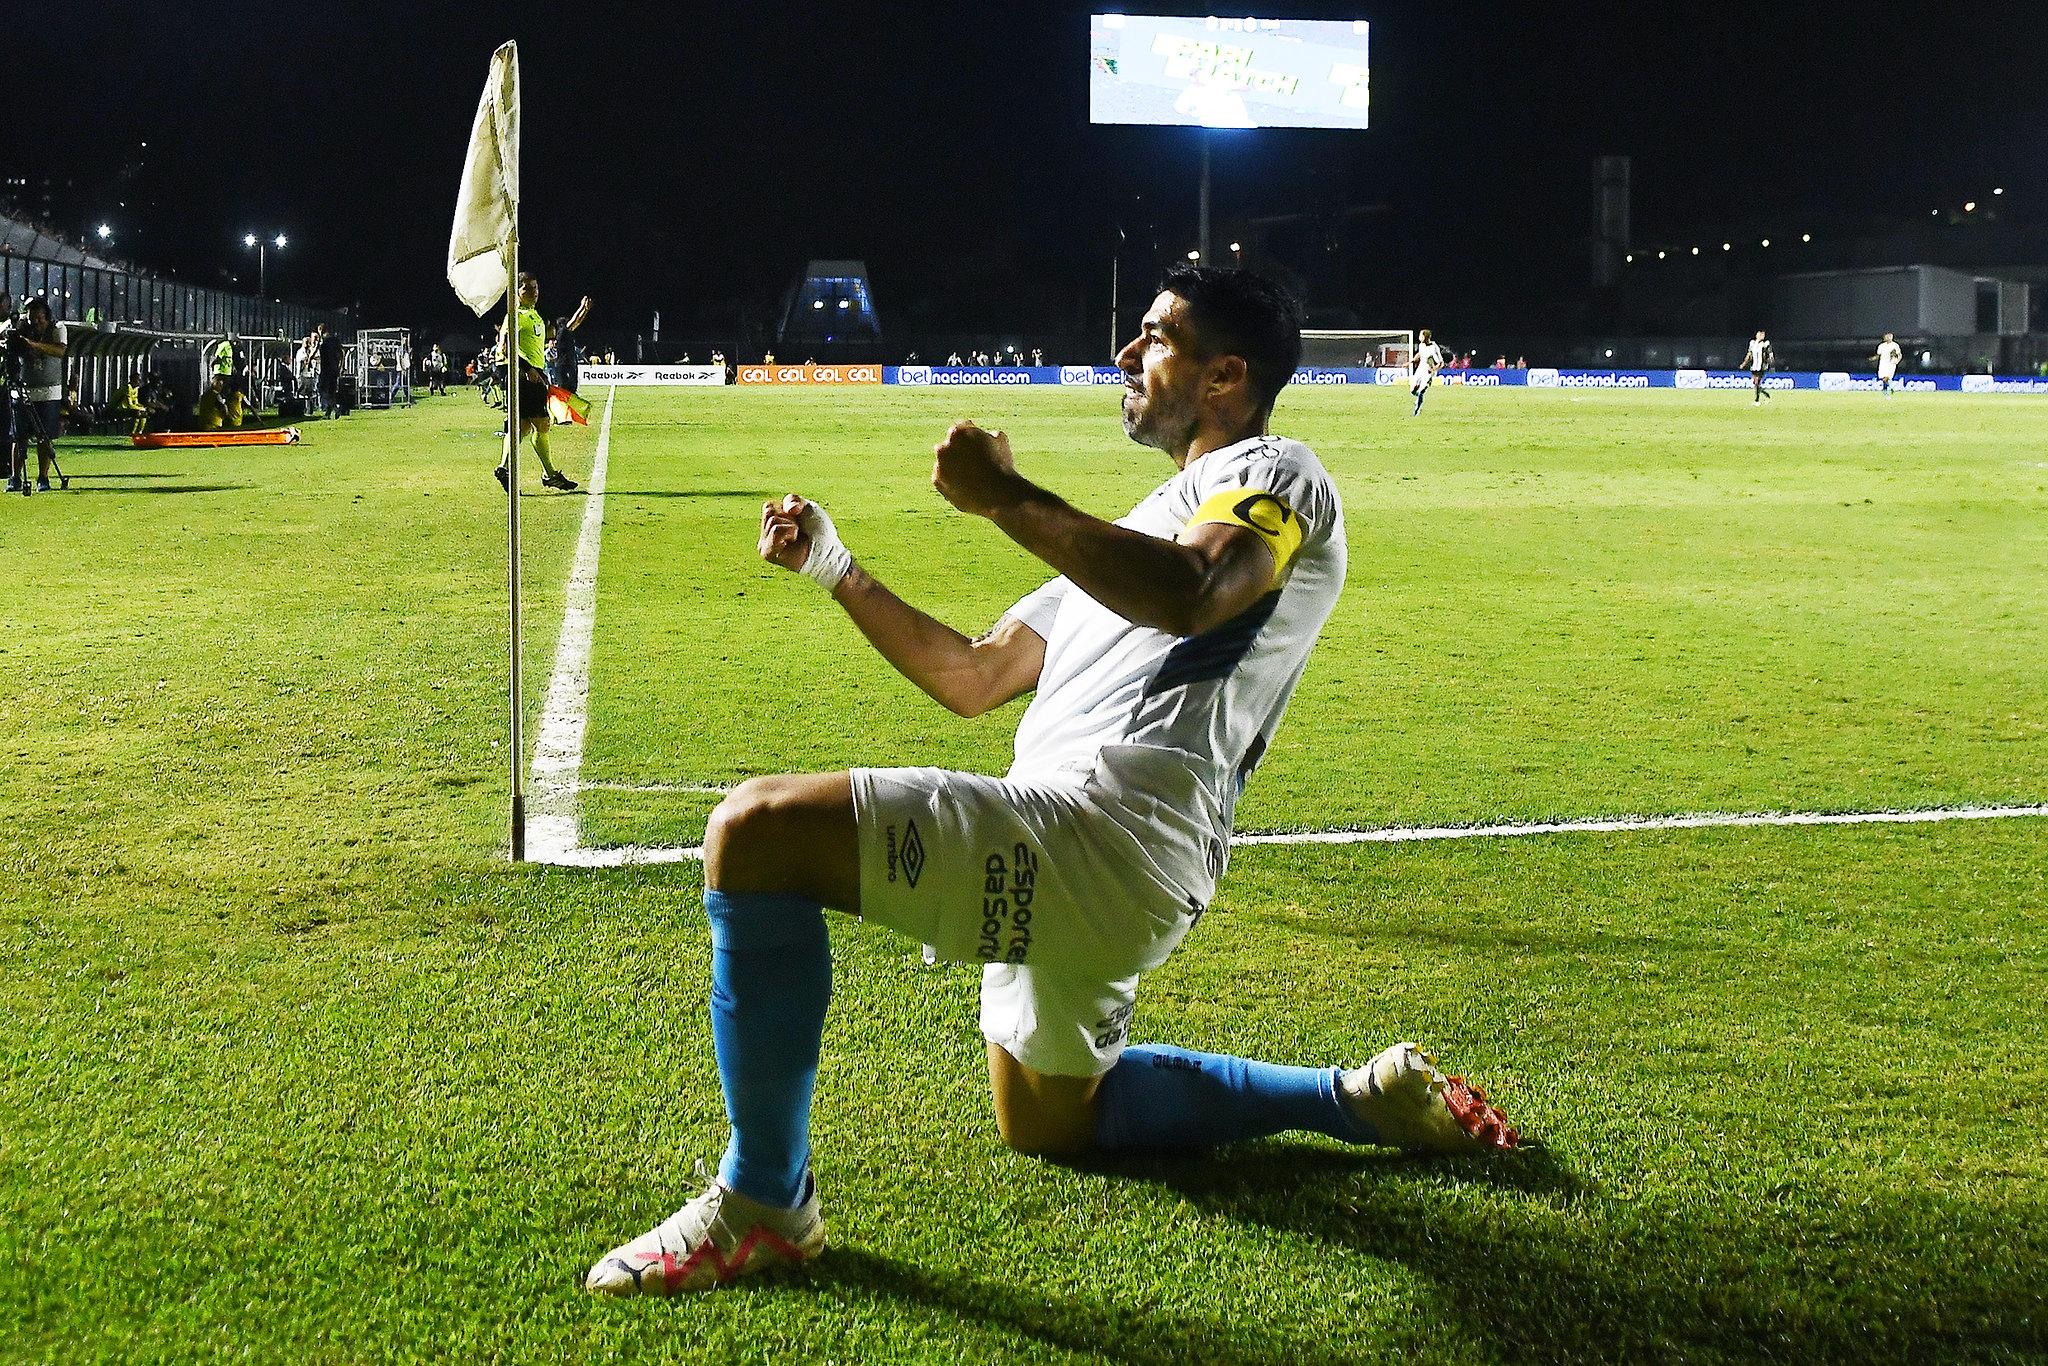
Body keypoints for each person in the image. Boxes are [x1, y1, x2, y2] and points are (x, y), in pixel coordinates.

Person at [583, 266, 1517, 1298]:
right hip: (1102, 854)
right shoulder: (1129, 533)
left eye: (1155, 337)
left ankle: (763, 1202)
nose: (1126, 353)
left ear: (1226, 376)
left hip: (1108, 828)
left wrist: (1009, 499)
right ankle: (1347, 1100)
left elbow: (1201, 590)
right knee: (1049, 1120)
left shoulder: (1275, 473)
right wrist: (836, 568)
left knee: (753, 832)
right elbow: (972, 674)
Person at [494, 272, 577, 493]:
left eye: (536, 287)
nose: (534, 292)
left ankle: (504, 467)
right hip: (525, 376)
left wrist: (582, 313)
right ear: (516, 292)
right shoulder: (514, 315)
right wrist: (527, 369)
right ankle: (549, 474)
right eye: (527, 288)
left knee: (521, 427)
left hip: (533, 373)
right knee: (542, 423)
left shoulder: (534, 316)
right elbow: (504, 347)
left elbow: (561, 332)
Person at [8, 298, 67, 495]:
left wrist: (32, 344)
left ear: (47, 315)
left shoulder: (57, 328)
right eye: (33, 317)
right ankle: (15, 477)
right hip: (23, 389)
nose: (36, 322)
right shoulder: (21, 328)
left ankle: (43, 477)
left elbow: (60, 351)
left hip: (49, 390)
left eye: (40, 318)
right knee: (19, 436)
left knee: (45, 436)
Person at [549, 295, 594, 396]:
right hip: (564, 365)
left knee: (572, 390)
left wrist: (586, 310)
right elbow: (575, 319)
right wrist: (582, 306)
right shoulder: (562, 331)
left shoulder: (567, 332)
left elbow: (578, 321)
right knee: (565, 390)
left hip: (570, 363)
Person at [1409, 328, 1446, 416]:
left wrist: (1433, 370)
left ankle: (1417, 410)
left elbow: (1441, 363)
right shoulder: (1421, 345)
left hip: (1428, 371)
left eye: (1420, 335)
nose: (1419, 337)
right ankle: (1418, 398)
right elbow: (1419, 353)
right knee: (1412, 390)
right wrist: (1411, 361)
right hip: (1420, 369)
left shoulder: (1434, 347)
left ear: (1424, 337)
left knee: (1422, 390)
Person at [316, 324, 343, 418]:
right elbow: (341, 353)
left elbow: (317, 351)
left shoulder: (324, 343)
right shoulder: (335, 340)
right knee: (332, 391)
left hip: (326, 369)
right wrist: (340, 366)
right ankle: (328, 413)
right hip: (334, 369)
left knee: (322, 389)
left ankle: (335, 407)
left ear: (320, 330)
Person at [1742, 330, 1774, 404]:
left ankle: (1757, 401)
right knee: (1755, 384)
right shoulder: (1752, 343)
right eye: (1760, 334)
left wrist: (1771, 364)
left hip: (1762, 367)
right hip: (1753, 366)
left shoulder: (1765, 344)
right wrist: (1744, 363)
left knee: (1757, 383)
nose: (1762, 336)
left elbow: (1770, 355)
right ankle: (1766, 394)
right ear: (1757, 335)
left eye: (1763, 335)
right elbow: (1749, 354)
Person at [1873, 332, 1902, 397]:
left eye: (1890, 336)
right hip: (1883, 363)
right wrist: (1873, 358)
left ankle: (1886, 389)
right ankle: (1889, 388)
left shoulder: (1895, 345)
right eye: (1887, 336)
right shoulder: (1881, 346)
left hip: (1891, 363)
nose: (1888, 338)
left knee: (1887, 377)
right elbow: (1878, 354)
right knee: (1884, 378)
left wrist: (1897, 361)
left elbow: (1899, 354)